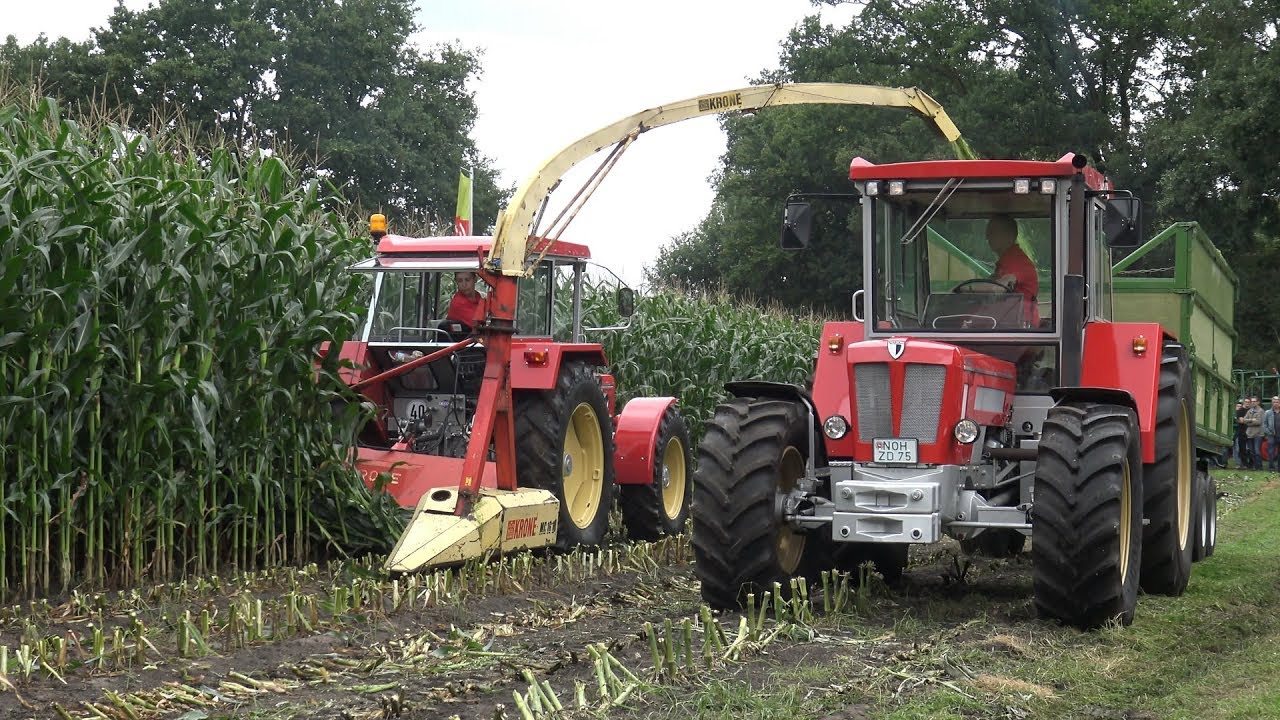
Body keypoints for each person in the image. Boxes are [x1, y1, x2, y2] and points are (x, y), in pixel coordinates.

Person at [984, 214, 1040, 326]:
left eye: (993, 232)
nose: (987, 237)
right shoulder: (1005, 262)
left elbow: (999, 288)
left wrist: (967, 288)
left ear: (1009, 235)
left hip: (1019, 329)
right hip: (1006, 323)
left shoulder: (1017, 261)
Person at [1244, 396, 1265, 470]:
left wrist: (1249, 421)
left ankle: (1259, 466)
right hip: (1250, 434)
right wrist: (1252, 420)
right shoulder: (1249, 410)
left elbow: (1259, 422)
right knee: (1251, 451)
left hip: (1258, 434)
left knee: (1257, 451)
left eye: (1254, 401)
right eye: (1251, 401)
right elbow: (1244, 420)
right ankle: (1254, 466)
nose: (1252, 402)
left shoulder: (1261, 411)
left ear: (1258, 402)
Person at [1264, 397, 1280, 471]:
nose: (1275, 403)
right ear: (1272, 403)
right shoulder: (1268, 412)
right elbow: (1264, 424)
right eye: (1274, 402)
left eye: (1277, 402)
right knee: (1271, 452)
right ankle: (1271, 467)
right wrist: (1269, 432)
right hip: (1271, 435)